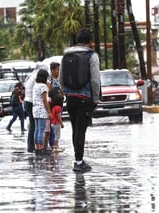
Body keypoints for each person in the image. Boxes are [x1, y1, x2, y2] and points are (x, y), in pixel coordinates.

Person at [59, 28, 101, 172]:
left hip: (70, 98)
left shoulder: (66, 54)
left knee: (75, 128)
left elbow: (61, 78)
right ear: (90, 41)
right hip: (85, 97)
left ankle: (78, 159)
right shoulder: (91, 56)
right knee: (81, 130)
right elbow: (95, 80)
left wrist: (66, 93)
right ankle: (78, 162)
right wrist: (95, 98)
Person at [24, 62, 48, 153]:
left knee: (34, 126)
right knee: (35, 126)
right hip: (31, 102)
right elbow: (40, 93)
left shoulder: (32, 76)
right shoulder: (36, 77)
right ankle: (33, 147)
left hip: (28, 101)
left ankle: (33, 147)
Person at [32, 69, 52, 156]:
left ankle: (37, 147)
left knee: (36, 129)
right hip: (42, 110)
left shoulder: (35, 85)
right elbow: (45, 100)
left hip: (35, 110)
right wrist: (49, 112)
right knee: (41, 130)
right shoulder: (43, 87)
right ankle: (41, 148)